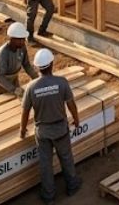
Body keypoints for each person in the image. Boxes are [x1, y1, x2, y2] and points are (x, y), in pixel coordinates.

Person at [20, 48, 81, 202]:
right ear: (52, 64)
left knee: (45, 164)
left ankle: (48, 196)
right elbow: (71, 104)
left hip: (43, 132)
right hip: (60, 129)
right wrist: (76, 119)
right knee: (66, 158)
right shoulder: (61, 83)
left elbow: (25, 111)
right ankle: (72, 186)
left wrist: (22, 129)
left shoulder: (31, 87)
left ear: (37, 67)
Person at [0, 22, 37, 97]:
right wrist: (14, 89)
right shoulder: (3, 53)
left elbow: (26, 65)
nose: (23, 42)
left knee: (18, 99)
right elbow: (0, 76)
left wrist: (36, 78)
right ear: (11, 39)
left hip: (13, 78)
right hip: (0, 83)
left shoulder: (22, 47)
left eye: (23, 39)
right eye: (20, 40)